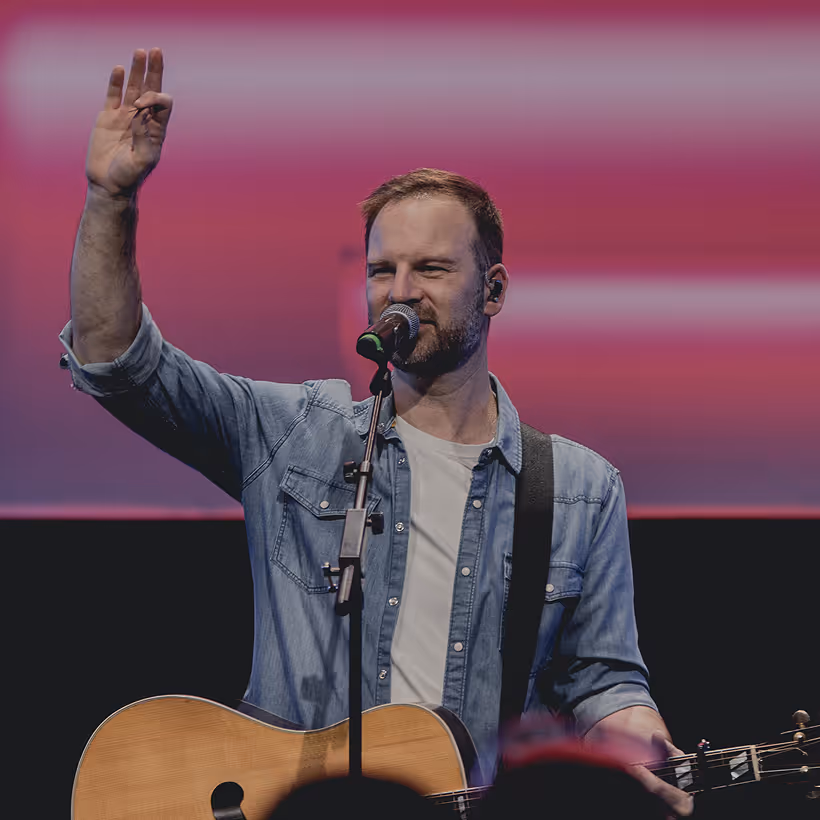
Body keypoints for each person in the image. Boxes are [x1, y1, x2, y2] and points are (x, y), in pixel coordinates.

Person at [59, 48, 692, 816]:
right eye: (381, 269)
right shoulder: (296, 434)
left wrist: (634, 732)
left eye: (430, 269)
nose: (399, 292)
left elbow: (601, 678)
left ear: (492, 291)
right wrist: (110, 200)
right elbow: (118, 364)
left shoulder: (579, 490)